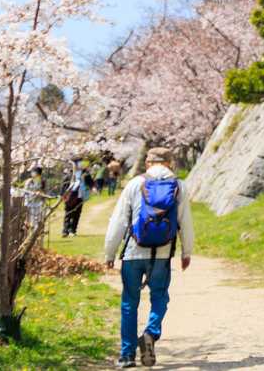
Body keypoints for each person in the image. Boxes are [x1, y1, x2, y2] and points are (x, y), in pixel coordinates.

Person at [103, 147, 195, 368]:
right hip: (163, 253)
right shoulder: (179, 186)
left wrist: (109, 252)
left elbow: (118, 221)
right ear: (170, 163)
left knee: (129, 303)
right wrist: (186, 252)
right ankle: (151, 333)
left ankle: (126, 356)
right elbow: (186, 222)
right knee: (160, 297)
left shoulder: (135, 184)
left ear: (148, 163)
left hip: (133, 252)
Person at [60, 160, 88, 237]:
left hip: (79, 197)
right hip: (70, 198)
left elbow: (89, 183)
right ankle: (65, 231)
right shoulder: (68, 176)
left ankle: (73, 230)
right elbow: (63, 187)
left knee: (77, 214)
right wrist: (62, 196)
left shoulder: (84, 175)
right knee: (68, 214)